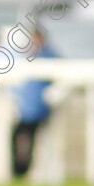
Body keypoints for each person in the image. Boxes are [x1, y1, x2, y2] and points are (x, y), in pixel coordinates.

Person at [11, 30, 58, 177]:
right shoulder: (30, 56)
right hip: (26, 109)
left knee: (24, 137)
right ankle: (19, 170)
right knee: (18, 136)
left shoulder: (49, 56)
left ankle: (22, 171)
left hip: (37, 110)